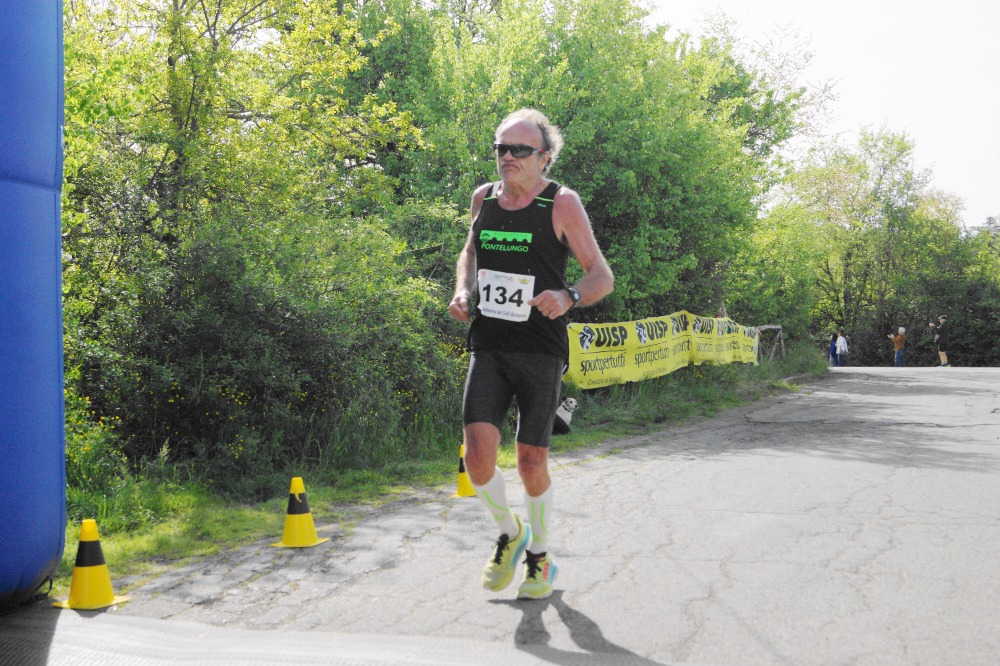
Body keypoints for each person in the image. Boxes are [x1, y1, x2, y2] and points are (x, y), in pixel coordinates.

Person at [448, 109, 614, 600]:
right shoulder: (483, 198)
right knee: (477, 457)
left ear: (544, 156)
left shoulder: (561, 203)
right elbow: (469, 251)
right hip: (489, 342)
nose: (508, 157)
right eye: (501, 148)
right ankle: (510, 532)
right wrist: (462, 289)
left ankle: (540, 555)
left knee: (529, 460)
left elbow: (601, 276)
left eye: (520, 149)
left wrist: (569, 296)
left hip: (540, 349)